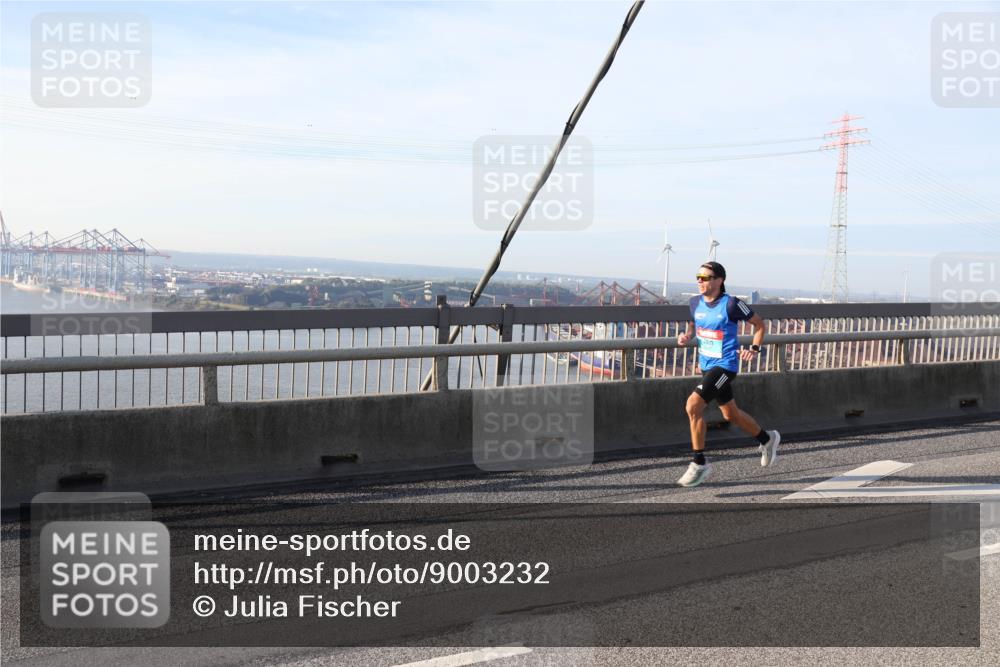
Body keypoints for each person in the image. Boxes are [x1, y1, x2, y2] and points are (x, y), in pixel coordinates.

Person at [675, 261, 780, 487]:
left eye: (705, 277)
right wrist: (686, 337)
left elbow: (760, 325)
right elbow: (693, 327)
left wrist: (754, 349)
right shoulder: (694, 303)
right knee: (730, 415)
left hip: (725, 366)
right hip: (706, 365)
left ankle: (699, 463)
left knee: (693, 405)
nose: (700, 280)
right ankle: (767, 438)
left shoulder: (731, 304)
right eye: (698, 276)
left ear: (719, 280)